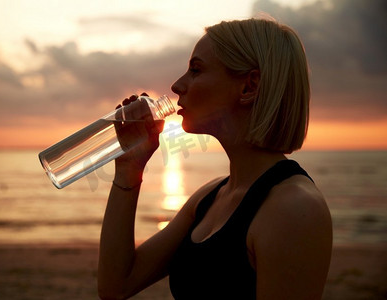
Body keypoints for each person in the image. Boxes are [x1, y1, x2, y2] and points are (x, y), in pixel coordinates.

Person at [98, 17, 333, 300]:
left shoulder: (294, 208)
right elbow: (116, 285)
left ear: (249, 86)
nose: (176, 85)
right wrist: (128, 168)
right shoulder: (209, 197)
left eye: (195, 70)